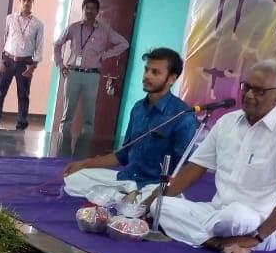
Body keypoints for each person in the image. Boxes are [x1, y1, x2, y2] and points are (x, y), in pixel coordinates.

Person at [150, 60, 276, 253]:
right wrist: (152, 202)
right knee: (160, 207)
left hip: (257, 222)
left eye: (260, 91)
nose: (250, 95)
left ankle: (227, 241)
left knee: (235, 216)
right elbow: (195, 168)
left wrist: (256, 238)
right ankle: (221, 244)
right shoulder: (227, 122)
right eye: (247, 87)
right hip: (216, 212)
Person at [63, 48, 196, 200]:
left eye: (155, 72)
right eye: (146, 70)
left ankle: (123, 199)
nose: (147, 76)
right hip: (127, 180)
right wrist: (84, 164)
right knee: (74, 178)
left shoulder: (183, 116)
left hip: (154, 187)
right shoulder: (138, 108)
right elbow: (123, 155)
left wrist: (159, 193)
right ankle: (124, 198)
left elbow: (185, 168)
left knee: (158, 205)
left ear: (171, 79)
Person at [53, 0, 129, 140]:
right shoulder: (73, 28)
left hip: (92, 75)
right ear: (83, 9)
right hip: (73, 73)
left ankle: (85, 150)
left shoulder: (104, 30)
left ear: (97, 12)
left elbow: (124, 43)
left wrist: (105, 55)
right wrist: (60, 64)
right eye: (87, 8)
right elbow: (57, 44)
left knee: (89, 115)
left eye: (93, 9)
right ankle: (62, 147)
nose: (89, 11)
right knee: (67, 114)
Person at [0, 0, 44, 130]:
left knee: (23, 95)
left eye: (29, 1)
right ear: (19, 2)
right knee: (0, 92)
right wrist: (0, 60)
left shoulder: (38, 24)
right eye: (24, 0)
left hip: (25, 63)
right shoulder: (9, 19)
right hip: (8, 60)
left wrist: (33, 66)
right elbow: (1, 39)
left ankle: (21, 124)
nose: (26, 3)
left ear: (32, 3)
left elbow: (39, 46)